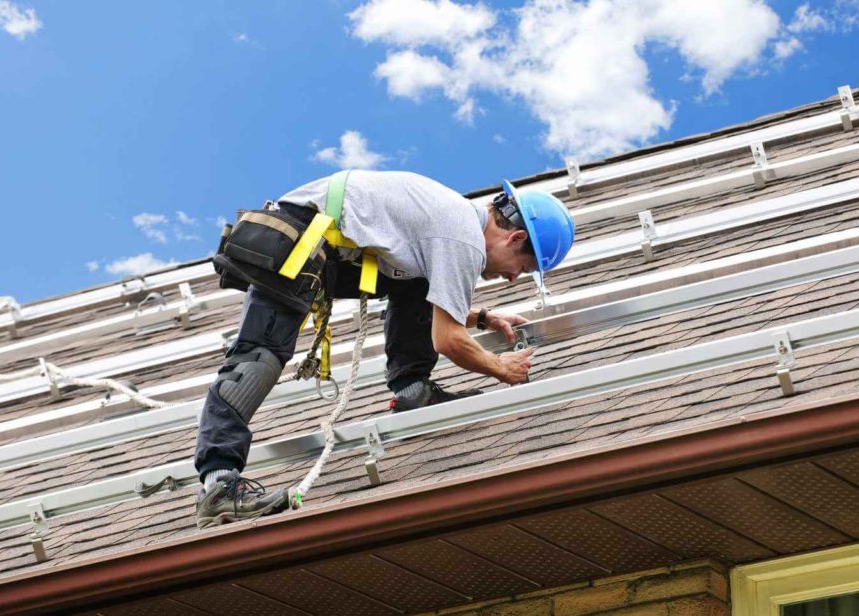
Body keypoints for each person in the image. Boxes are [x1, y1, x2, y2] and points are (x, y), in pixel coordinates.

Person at [193, 171, 575, 528]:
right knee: (258, 360)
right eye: (521, 269)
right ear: (516, 239)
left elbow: (434, 299)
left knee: (416, 283)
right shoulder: (464, 239)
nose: (510, 278)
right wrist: (500, 368)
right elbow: (448, 340)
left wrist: (481, 318)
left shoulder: (455, 220)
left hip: (323, 242)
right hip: (299, 238)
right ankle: (218, 484)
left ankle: (413, 390)